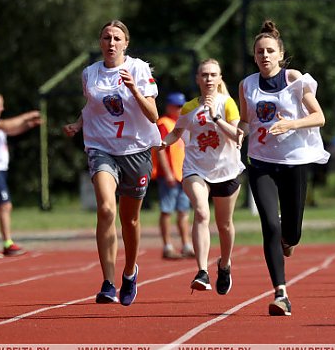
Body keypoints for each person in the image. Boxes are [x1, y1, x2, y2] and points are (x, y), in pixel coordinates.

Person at [63, 20, 159, 306]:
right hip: (101, 146)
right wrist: (79, 124)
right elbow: (93, 108)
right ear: (100, 42)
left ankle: (130, 272)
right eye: (106, 37)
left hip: (135, 149)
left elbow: (153, 115)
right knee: (106, 208)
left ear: (126, 43)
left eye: (117, 38)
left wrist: (135, 91)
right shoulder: (89, 74)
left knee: (129, 220)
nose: (111, 43)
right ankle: (107, 282)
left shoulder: (139, 68)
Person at [238, 20, 330, 316]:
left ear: (280, 54)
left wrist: (292, 123)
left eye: (269, 51)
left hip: (293, 161)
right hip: (261, 161)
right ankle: (281, 293)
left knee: (292, 232)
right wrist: (236, 132)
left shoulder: (294, 79)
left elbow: (319, 117)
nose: (264, 56)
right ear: (254, 57)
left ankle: (288, 241)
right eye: (259, 52)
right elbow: (245, 121)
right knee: (270, 224)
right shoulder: (247, 85)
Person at [159, 59, 244, 295]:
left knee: (224, 224)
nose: (208, 79)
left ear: (219, 78)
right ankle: (202, 271)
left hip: (226, 171)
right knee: (201, 211)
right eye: (204, 75)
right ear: (197, 79)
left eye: (212, 75)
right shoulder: (188, 108)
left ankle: (224, 264)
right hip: (196, 170)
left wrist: (215, 117)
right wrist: (160, 144)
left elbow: (237, 136)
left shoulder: (228, 104)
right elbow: (177, 132)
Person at [0, 92, 42, 258]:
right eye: (0, 105)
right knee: (5, 205)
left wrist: (29, 124)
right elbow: (6, 125)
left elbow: (12, 130)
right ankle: (7, 242)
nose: (2, 108)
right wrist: (27, 115)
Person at [153, 92, 193, 260]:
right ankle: (167, 245)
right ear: (169, 107)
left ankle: (186, 245)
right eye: (177, 106)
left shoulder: (183, 123)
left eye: (181, 106)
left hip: (184, 174)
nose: (179, 109)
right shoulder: (164, 123)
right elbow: (160, 150)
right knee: (167, 210)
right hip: (169, 175)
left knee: (184, 211)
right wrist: (168, 173)